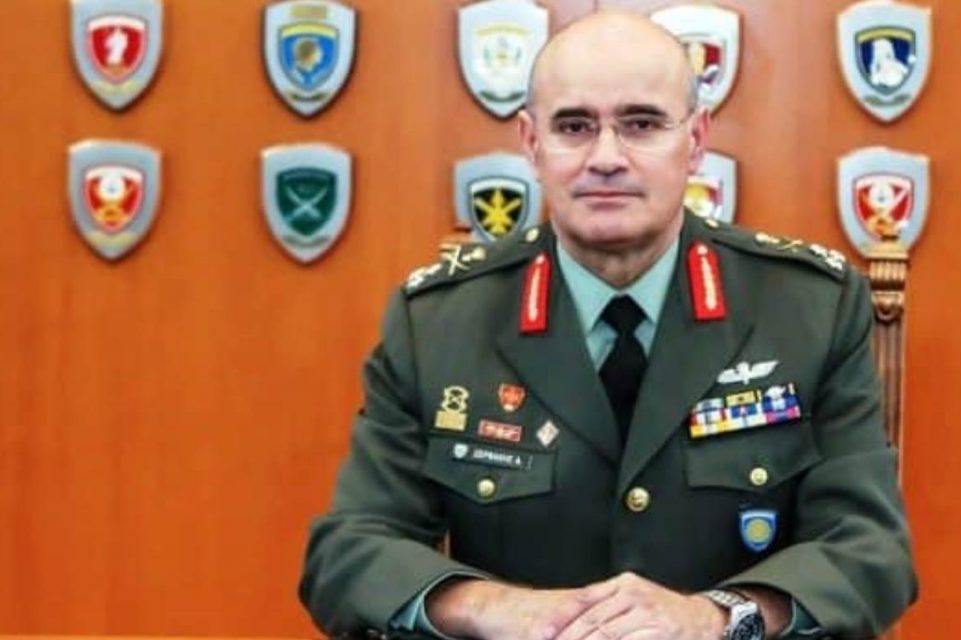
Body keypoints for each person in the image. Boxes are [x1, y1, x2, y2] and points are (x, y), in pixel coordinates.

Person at [299, 10, 917, 640]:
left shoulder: (805, 310)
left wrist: (716, 617)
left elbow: (869, 551)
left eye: (641, 124)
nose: (606, 158)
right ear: (531, 143)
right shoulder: (438, 323)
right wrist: (493, 608)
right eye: (574, 126)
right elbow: (349, 552)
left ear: (695, 140)